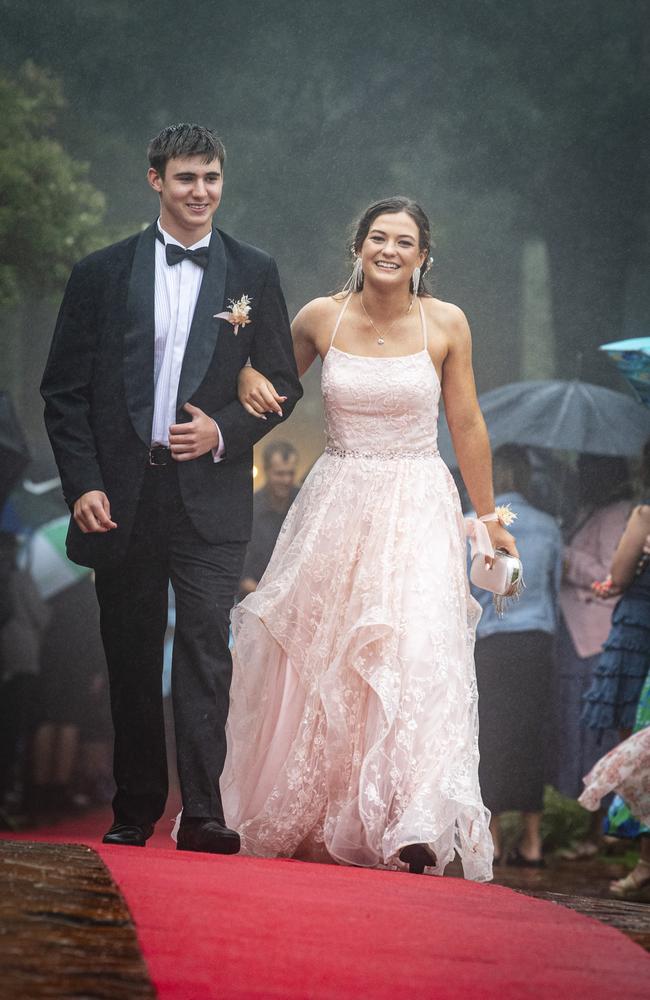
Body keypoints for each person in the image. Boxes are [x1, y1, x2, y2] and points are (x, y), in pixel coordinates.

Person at [220, 196, 517, 879]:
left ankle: (411, 819)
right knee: (330, 651)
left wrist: (491, 520)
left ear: (423, 255)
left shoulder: (446, 323)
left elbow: (466, 423)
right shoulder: (320, 317)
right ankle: (326, 808)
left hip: (417, 501)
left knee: (416, 649)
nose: (390, 249)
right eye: (378, 237)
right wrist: (241, 373)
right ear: (358, 246)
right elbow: (270, 385)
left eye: (404, 241)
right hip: (338, 500)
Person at [40, 123, 302, 852]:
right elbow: (62, 392)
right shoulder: (101, 272)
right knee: (128, 654)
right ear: (155, 179)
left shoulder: (253, 269)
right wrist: (82, 485)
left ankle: (206, 814)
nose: (201, 192)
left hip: (212, 498)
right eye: (186, 178)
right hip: (120, 496)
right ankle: (134, 809)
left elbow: (284, 381)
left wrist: (222, 431)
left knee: (204, 652)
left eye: (212, 178)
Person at [470, 445, 563, 867]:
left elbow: (468, 588)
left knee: (490, 734)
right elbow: (554, 588)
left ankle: (492, 837)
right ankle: (531, 840)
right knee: (531, 735)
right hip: (536, 642)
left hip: (491, 640)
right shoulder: (548, 526)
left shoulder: (477, 526)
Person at [579, 471, 650, 900]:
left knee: (640, 751)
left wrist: (614, 584)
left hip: (639, 632)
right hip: (640, 632)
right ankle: (644, 863)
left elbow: (619, 576)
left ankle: (645, 863)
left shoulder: (645, 514)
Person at [239, 440, 299, 596]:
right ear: (266, 471)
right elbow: (242, 574)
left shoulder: (304, 504)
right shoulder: (250, 509)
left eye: (290, 473)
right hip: (255, 597)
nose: (286, 480)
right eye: (280, 473)